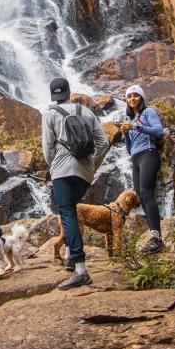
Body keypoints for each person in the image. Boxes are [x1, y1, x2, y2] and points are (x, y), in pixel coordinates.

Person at [42, 77, 110, 289]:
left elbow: (48, 149)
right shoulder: (86, 112)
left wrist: (55, 167)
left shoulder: (50, 115)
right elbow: (104, 143)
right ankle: (71, 256)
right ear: (70, 93)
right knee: (71, 209)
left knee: (67, 213)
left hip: (62, 171)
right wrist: (92, 165)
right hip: (85, 173)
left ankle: (81, 270)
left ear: (53, 96)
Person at [120, 84, 165, 254]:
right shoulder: (130, 119)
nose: (132, 99)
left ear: (142, 98)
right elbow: (130, 148)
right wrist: (125, 132)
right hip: (136, 157)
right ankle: (155, 237)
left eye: (135, 95)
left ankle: (157, 238)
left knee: (147, 193)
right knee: (140, 196)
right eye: (129, 96)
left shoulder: (148, 112)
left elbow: (159, 131)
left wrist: (135, 127)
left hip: (149, 153)